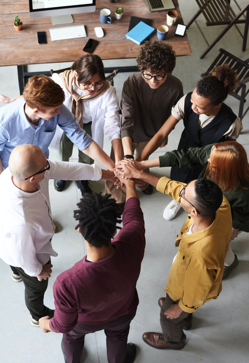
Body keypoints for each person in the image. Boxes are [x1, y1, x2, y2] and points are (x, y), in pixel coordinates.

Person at [115, 161, 232, 350]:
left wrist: (180, 308)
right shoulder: (220, 204)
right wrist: (140, 174)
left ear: (193, 211)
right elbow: (175, 188)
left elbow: (197, 291)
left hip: (187, 287)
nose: (180, 192)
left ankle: (174, 340)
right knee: (178, 307)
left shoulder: (201, 255)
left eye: (184, 194)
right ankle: (187, 318)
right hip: (189, 272)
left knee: (167, 316)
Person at [0, 144, 115, 326]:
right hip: (24, 252)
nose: (50, 166)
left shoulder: (14, 174)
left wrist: (109, 174)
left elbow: (67, 169)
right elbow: (22, 254)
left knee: (17, 265)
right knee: (36, 287)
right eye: (46, 167)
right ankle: (37, 315)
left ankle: (16, 273)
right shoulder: (22, 221)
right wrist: (38, 270)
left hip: (13, 241)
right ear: (32, 178)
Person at [39, 177, 145, 363]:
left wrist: (46, 324)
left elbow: (64, 324)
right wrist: (129, 184)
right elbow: (133, 214)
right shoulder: (133, 240)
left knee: (72, 337)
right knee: (118, 336)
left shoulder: (67, 282)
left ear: (80, 230)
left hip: (84, 323)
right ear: (114, 231)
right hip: (124, 311)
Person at [125, 141, 249, 278]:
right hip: (208, 210)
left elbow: (242, 216)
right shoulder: (215, 152)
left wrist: (232, 230)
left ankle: (229, 263)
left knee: (218, 242)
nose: (207, 159)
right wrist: (140, 167)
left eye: (212, 163)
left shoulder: (242, 193)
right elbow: (184, 160)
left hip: (225, 220)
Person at [137, 64, 242, 220]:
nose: (193, 108)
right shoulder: (186, 101)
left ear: (217, 105)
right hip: (186, 146)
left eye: (199, 107)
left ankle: (193, 205)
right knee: (178, 174)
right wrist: (140, 160)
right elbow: (161, 134)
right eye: (192, 101)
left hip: (208, 160)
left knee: (199, 187)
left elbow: (225, 152)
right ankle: (178, 199)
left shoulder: (232, 124)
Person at [0, 74, 114, 178]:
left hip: (42, 167)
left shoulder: (55, 106)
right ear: (36, 111)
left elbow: (81, 138)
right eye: (55, 110)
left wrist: (113, 168)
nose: (59, 111)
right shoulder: (4, 122)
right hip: (11, 172)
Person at [116, 41, 183, 197]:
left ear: (168, 71)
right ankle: (117, 197)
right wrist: (128, 157)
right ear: (141, 69)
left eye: (159, 75)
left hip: (152, 135)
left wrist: (164, 135)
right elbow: (126, 119)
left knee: (143, 163)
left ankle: (143, 183)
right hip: (127, 135)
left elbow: (173, 117)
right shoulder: (132, 83)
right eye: (148, 75)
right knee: (119, 164)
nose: (153, 81)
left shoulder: (175, 87)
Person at [50, 54, 122, 197]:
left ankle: (82, 178)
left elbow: (113, 125)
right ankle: (62, 173)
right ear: (76, 76)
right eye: (87, 83)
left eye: (98, 83)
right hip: (65, 123)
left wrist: (118, 163)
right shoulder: (60, 81)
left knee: (87, 157)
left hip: (88, 123)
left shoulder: (107, 92)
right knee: (63, 151)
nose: (93, 88)